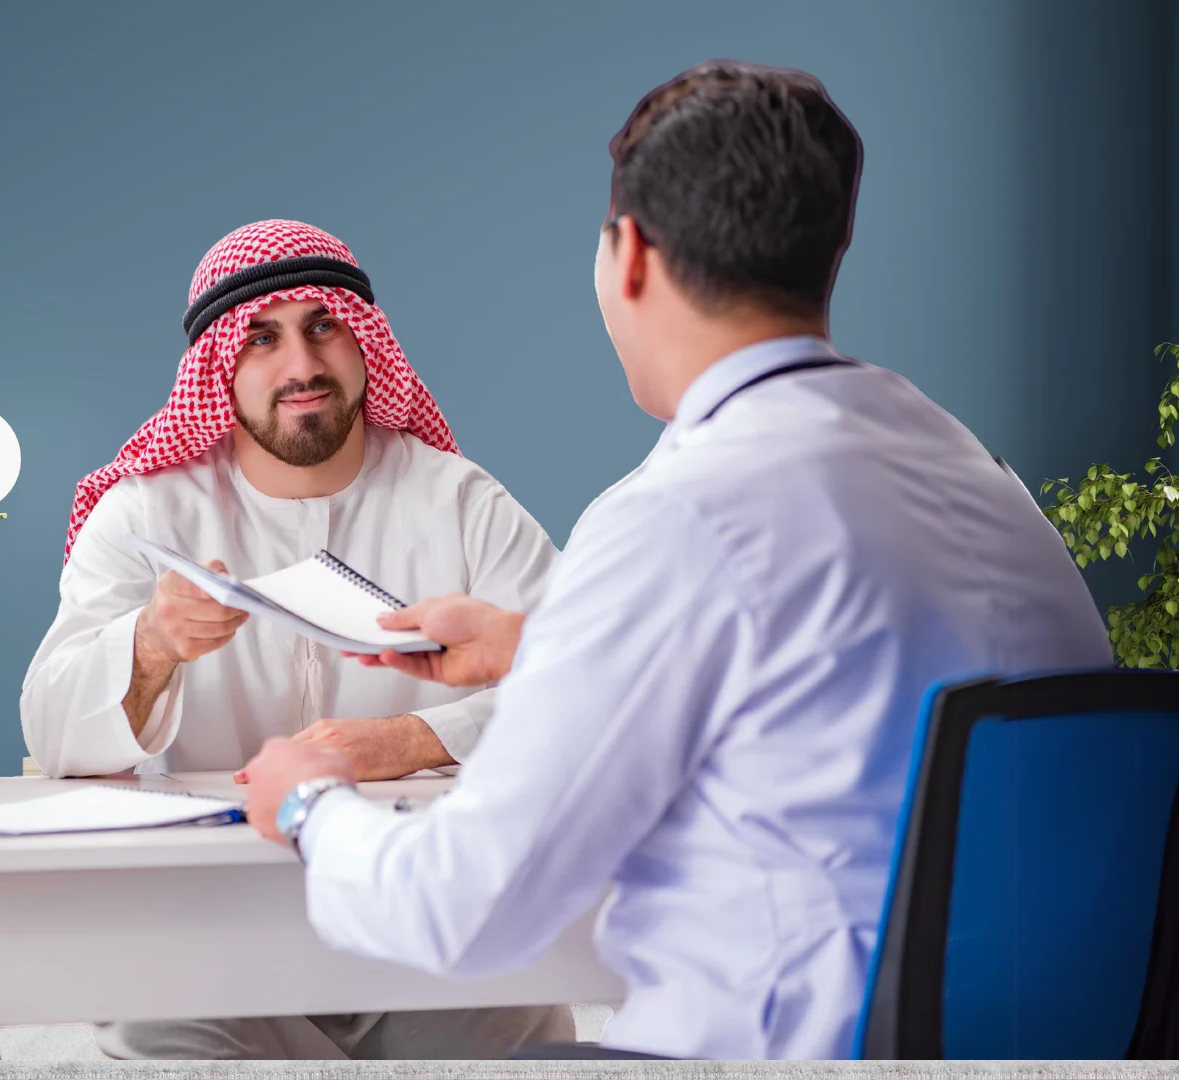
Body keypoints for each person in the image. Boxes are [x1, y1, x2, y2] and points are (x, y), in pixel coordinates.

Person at [236, 62, 1117, 1060]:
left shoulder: (679, 513)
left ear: (633, 255)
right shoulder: (975, 470)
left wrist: (309, 802)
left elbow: (468, 911)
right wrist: (546, 650)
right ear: (831, 247)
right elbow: (838, 684)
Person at [21, 220, 572, 1060]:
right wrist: (150, 645)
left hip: (424, 919)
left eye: (324, 327)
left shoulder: (460, 501)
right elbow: (49, 728)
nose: (302, 366)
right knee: (152, 1024)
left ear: (364, 341)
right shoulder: (143, 512)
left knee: (521, 1014)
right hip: (213, 936)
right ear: (217, 367)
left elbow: (585, 691)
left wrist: (407, 741)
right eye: (261, 339)